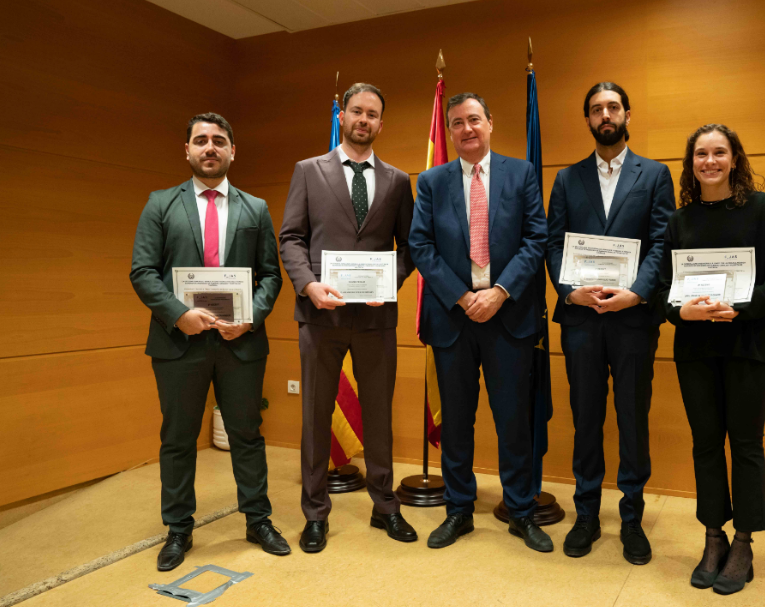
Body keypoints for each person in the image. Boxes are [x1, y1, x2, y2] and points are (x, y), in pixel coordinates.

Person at [130, 113, 288, 571]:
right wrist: (181, 316)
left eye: (219, 140)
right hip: (178, 344)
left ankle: (258, 520)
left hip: (240, 343)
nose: (210, 147)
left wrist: (251, 318)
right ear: (187, 151)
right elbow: (142, 272)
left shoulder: (255, 207)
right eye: (200, 140)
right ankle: (179, 529)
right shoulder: (160, 204)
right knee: (178, 439)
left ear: (232, 151)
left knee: (246, 435)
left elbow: (271, 275)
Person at [657, 124, 765, 594]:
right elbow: (661, 289)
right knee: (704, 444)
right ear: (691, 163)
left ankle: (743, 541)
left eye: (720, 152)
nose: (710, 161)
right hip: (697, 348)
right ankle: (713, 536)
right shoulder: (679, 221)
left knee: (745, 443)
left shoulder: (763, 209)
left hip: (751, 345)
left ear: (735, 158)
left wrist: (739, 307)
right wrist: (682, 310)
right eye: (701, 154)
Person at [409, 93, 552, 552]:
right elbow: (421, 246)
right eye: (457, 123)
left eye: (474, 120)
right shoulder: (431, 182)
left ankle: (521, 512)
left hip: (508, 314)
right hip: (454, 318)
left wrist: (500, 292)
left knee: (514, 421)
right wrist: (462, 296)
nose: (467, 129)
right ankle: (458, 510)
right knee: (456, 422)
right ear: (448, 132)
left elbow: (536, 238)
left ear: (490, 123)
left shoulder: (522, 173)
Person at [278, 83, 417, 553]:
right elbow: (291, 238)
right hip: (321, 317)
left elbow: (410, 248)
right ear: (343, 116)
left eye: (373, 114)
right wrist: (308, 284)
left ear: (381, 123)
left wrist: (388, 283)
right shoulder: (308, 171)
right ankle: (315, 514)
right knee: (315, 416)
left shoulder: (399, 181)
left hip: (376, 320)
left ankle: (385, 506)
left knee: (379, 415)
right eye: (356, 111)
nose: (364, 119)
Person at [546, 82, 675, 562]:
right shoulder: (566, 178)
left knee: (632, 419)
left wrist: (637, 292)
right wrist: (568, 290)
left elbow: (662, 242)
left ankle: (632, 518)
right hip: (580, 318)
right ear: (587, 119)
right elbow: (554, 243)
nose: (606, 114)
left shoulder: (655, 175)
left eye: (613, 107)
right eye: (597, 108)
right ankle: (585, 515)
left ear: (627, 114)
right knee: (585, 419)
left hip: (633, 320)